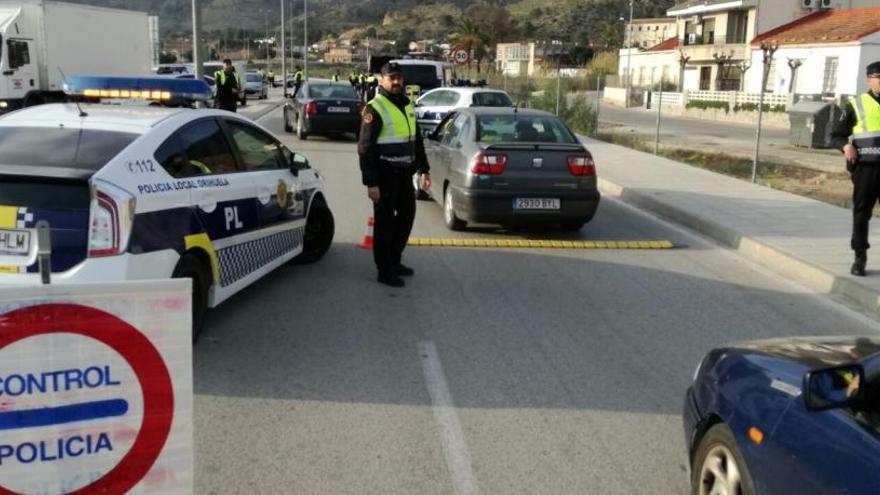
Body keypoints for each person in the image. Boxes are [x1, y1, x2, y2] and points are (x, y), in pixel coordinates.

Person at [358, 62, 431, 287]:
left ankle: (395, 260)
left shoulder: (407, 105)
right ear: (382, 80)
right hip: (385, 175)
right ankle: (384, 270)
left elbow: (415, 140)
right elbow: (365, 148)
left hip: (404, 175)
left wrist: (424, 169)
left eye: (399, 78)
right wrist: (371, 182)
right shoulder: (374, 108)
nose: (396, 82)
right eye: (392, 78)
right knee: (385, 224)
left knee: (407, 217)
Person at [832, 61, 880, 276]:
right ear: (869, 79)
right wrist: (846, 145)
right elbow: (837, 134)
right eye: (879, 77)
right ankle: (859, 258)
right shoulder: (856, 104)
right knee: (861, 213)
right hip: (865, 169)